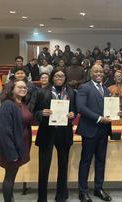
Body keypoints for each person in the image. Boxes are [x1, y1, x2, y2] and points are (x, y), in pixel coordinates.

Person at [32, 69, 76, 202]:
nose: (59, 77)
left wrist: (72, 114)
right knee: (44, 167)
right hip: (47, 131)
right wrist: (41, 113)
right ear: (52, 77)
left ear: (65, 78)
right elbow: (33, 112)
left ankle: (61, 196)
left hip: (64, 132)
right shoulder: (41, 92)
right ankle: (42, 198)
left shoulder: (71, 92)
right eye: (56, 75)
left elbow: (75, 109)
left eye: (62, 76)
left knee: (63, 166)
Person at [76, 64, 115, 202]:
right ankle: (83, 191)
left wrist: (116, 113)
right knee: (86, 161)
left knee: (100, 161)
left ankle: (98, 188)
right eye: (96, 71)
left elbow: (109, 108)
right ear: (91, 73)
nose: (99, 73)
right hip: (89, 130)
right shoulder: (84, 87)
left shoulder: (105, 89)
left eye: (101, 71)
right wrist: (99, 118)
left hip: (103, 131)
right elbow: (81, 108)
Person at [0, 79, 33, 202]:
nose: (23, 89)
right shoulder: (7, 105)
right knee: (9, 177)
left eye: (25, 87)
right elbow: (4, 132)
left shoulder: (22, 103)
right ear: (11, 89)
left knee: (12, 175)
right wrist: (12, 154)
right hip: (10, 148)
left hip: (20, 145)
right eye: (20, 87)